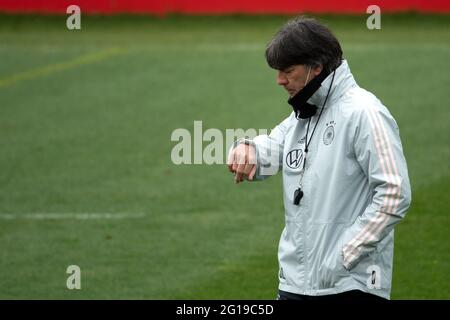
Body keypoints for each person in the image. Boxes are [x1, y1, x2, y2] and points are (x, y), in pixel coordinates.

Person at [227, 16, 411, 300]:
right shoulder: (304, 112)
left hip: (350, 284)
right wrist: (248, 148)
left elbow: (394, 193)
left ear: (316, 67)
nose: (279, 80)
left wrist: (345, 254)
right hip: (295, 284)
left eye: (287, 70)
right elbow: (274, 146)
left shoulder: (365, 113)